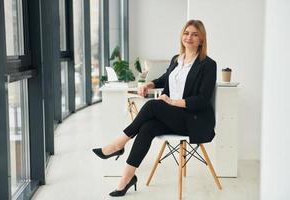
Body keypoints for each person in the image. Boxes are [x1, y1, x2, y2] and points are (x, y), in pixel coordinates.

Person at [92, 19, 217, 197]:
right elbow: (165, 79)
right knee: (147, 127)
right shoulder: (177, 59)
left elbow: (202, 100)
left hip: (193, 120)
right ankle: (126, 179)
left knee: (152, 105)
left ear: (202, 40)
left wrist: (173, 102)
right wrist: (149, 84)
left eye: (195, 34)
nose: (189, 37)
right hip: (173, 116)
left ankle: (119, 144)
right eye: (186, 33)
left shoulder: (208, 64)